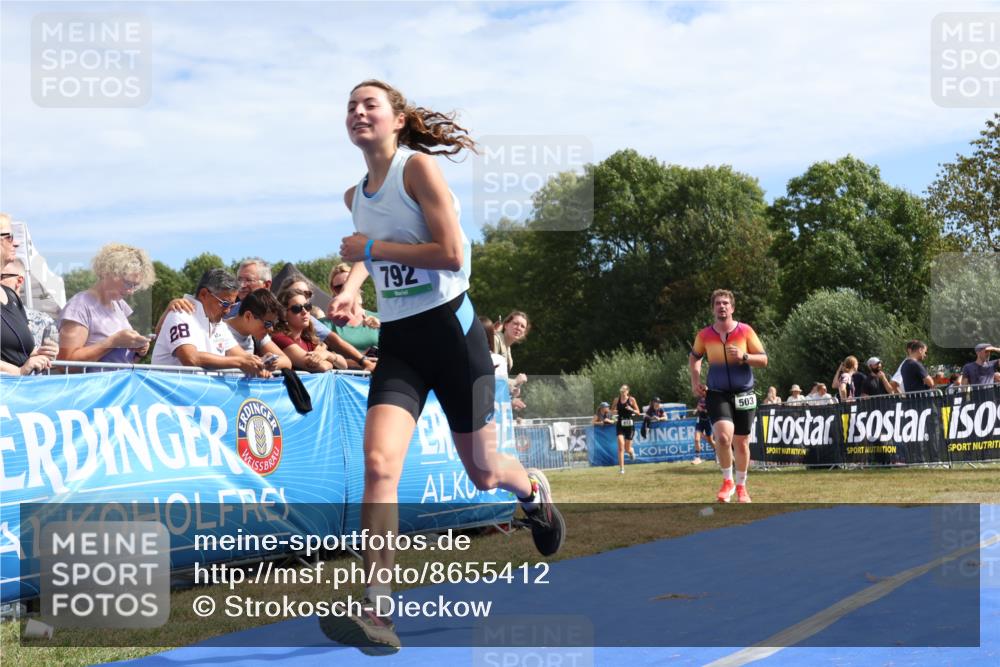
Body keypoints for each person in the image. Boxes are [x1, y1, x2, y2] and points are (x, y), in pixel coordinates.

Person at [320, 80, 564, 654]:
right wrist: (355, 287)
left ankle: (531, 490)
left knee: (483, 471)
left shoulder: (419, 170)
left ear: (397, 119)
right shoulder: (354, 195)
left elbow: (450, 253)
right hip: (402, 341)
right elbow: (365, 247)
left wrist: (369, 256)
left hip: (454, 333)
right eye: (350, 106)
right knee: (379, 464)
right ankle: (378, 610)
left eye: (369, 104)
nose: (358, 112)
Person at [689, 289, 767, 504]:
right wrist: (695, 381)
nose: (721, 306)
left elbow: (763, 359)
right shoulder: (704, 335)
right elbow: (694, 357)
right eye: (717, 303)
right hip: (717, 393)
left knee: (741, 443)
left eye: (725, 303)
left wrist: (744, 356)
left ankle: (742, 487)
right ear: (713, 308)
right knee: (723, 438)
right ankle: (727, 481)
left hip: (744, 393)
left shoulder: (745, 331)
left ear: (732, 308)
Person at [150, 269, 267, 376]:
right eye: (225, 304)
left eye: (232, 306)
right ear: (204, 294)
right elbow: (191, 358)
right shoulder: (180, 314)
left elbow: (242, 356)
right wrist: (240, 362)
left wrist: (261, 363)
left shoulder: (219, 323)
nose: (227, 311)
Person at [57, 243, 155, 365]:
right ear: (107, 272)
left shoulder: (119, 305)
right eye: (127, 283)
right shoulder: (79, 306)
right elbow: (65, 363)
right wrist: (113, 342)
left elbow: (120, 359)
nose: (130, 291)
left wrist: (138, 350)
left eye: (135, 286)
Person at [0, 213, 56, 375]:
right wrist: (17, 371)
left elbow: (18, 350)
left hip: (17, 396)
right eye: (9, 237)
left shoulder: (11, 295)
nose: (15, 243)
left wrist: (39, 354)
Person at [273, 287, 347, 373]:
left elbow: (344, 365)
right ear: (284, 314)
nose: (304, 312)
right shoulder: (279, 338)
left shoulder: (307, 339)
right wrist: (327, 359)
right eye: (297, 308)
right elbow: (322, 367)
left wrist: (326, 354)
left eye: (307, 306)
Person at [225, 288, 291, 371]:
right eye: (267, 323)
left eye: (273, 324)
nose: (271, 329)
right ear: (248, 316)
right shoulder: (219, 330)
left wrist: (269, 364)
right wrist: (258, 363)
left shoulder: (256, 334)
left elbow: (287, 362)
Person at [324, 262, 380, 354]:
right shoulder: (325, 324)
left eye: (348, 284)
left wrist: (381, 326)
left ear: (358, 285)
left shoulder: (380, 319)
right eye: (338, 287)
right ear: (333, 290)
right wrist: (364, 361)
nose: (344, 290)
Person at [2, 257, 56, 349]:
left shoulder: (43, 321)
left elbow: (49, 358)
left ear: (19, 281)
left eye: (2, 276)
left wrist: (50, 353)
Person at [612, 384, 641, 473]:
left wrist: (631, 409)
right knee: (621, 446)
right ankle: (622, 469)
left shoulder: (632, 400)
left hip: (629, 425)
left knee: (627, 448)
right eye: (621, 391)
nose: (622, 392)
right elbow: (611, 410)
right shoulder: (616, 400)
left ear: (627, 391)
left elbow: (638, 413)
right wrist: (615, 412)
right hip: (620, 424)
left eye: (624, 391)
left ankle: (631, 452)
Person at [692, 396, 714, 465]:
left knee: (710, 441)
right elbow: (698, 406)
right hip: (700, 421)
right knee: (696, 439)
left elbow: (711, 410)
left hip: (708, 421)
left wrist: (703, 410)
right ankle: (697, 458)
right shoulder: (700, 398)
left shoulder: (711, 398)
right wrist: (696, 410)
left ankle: (718, 453)